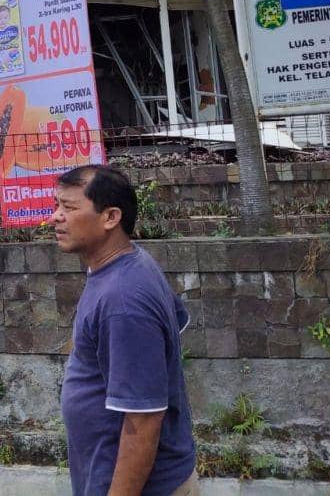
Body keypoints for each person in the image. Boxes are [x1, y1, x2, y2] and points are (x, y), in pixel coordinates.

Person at [53, 165, 197, 496]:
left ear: (110, 217)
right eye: (57, 205)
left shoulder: (123, 299)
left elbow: (143, 422)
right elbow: (174, 325)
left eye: (69, 208)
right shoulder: (126, 265)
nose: (56, 217)